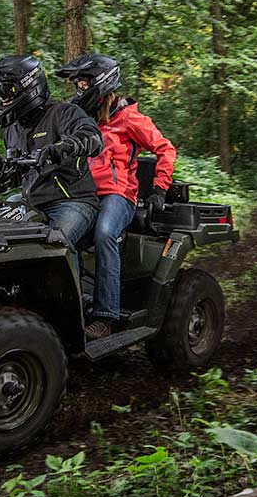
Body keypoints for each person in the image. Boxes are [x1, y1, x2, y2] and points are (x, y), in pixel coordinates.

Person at [57, 53, 176, 341]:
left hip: (118, 195)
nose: (79, 91)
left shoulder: (129, 118)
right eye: (78, 86)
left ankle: (105, 316)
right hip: (84, 195)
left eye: (84, 85)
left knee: (105, 233)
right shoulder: (80, 118)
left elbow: (165, 149)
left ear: (101, 84)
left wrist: (160, 187)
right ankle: (74, 307)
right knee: (59, 239)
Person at [0, 55, 102, 248]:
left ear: (28, 86)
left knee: (55, 244)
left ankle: (67, 277)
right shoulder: (13, 130)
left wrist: (62, 147)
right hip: (30, 201)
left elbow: (92, 138)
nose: (2, 98)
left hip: (72, 201)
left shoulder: (63, 113)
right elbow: (16, 175)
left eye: (7, 90)